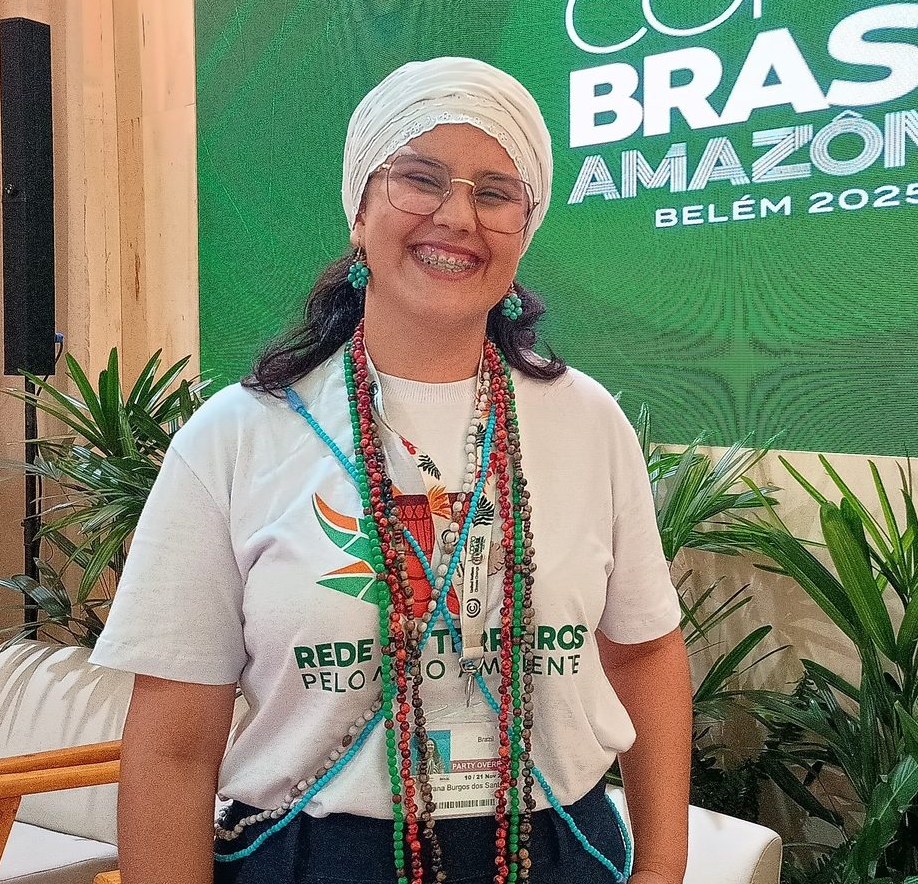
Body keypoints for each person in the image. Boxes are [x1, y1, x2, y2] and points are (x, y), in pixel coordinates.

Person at [90, 57, 691, 884]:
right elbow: (173, 743)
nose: (457, 216)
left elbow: (646, 652)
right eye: (420, 179)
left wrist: (663, 867)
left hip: (557, 853)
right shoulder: (236, 437)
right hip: (315, 856)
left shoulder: (586, 420)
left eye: (495, 193)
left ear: (525, 227)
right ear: (360, 210)